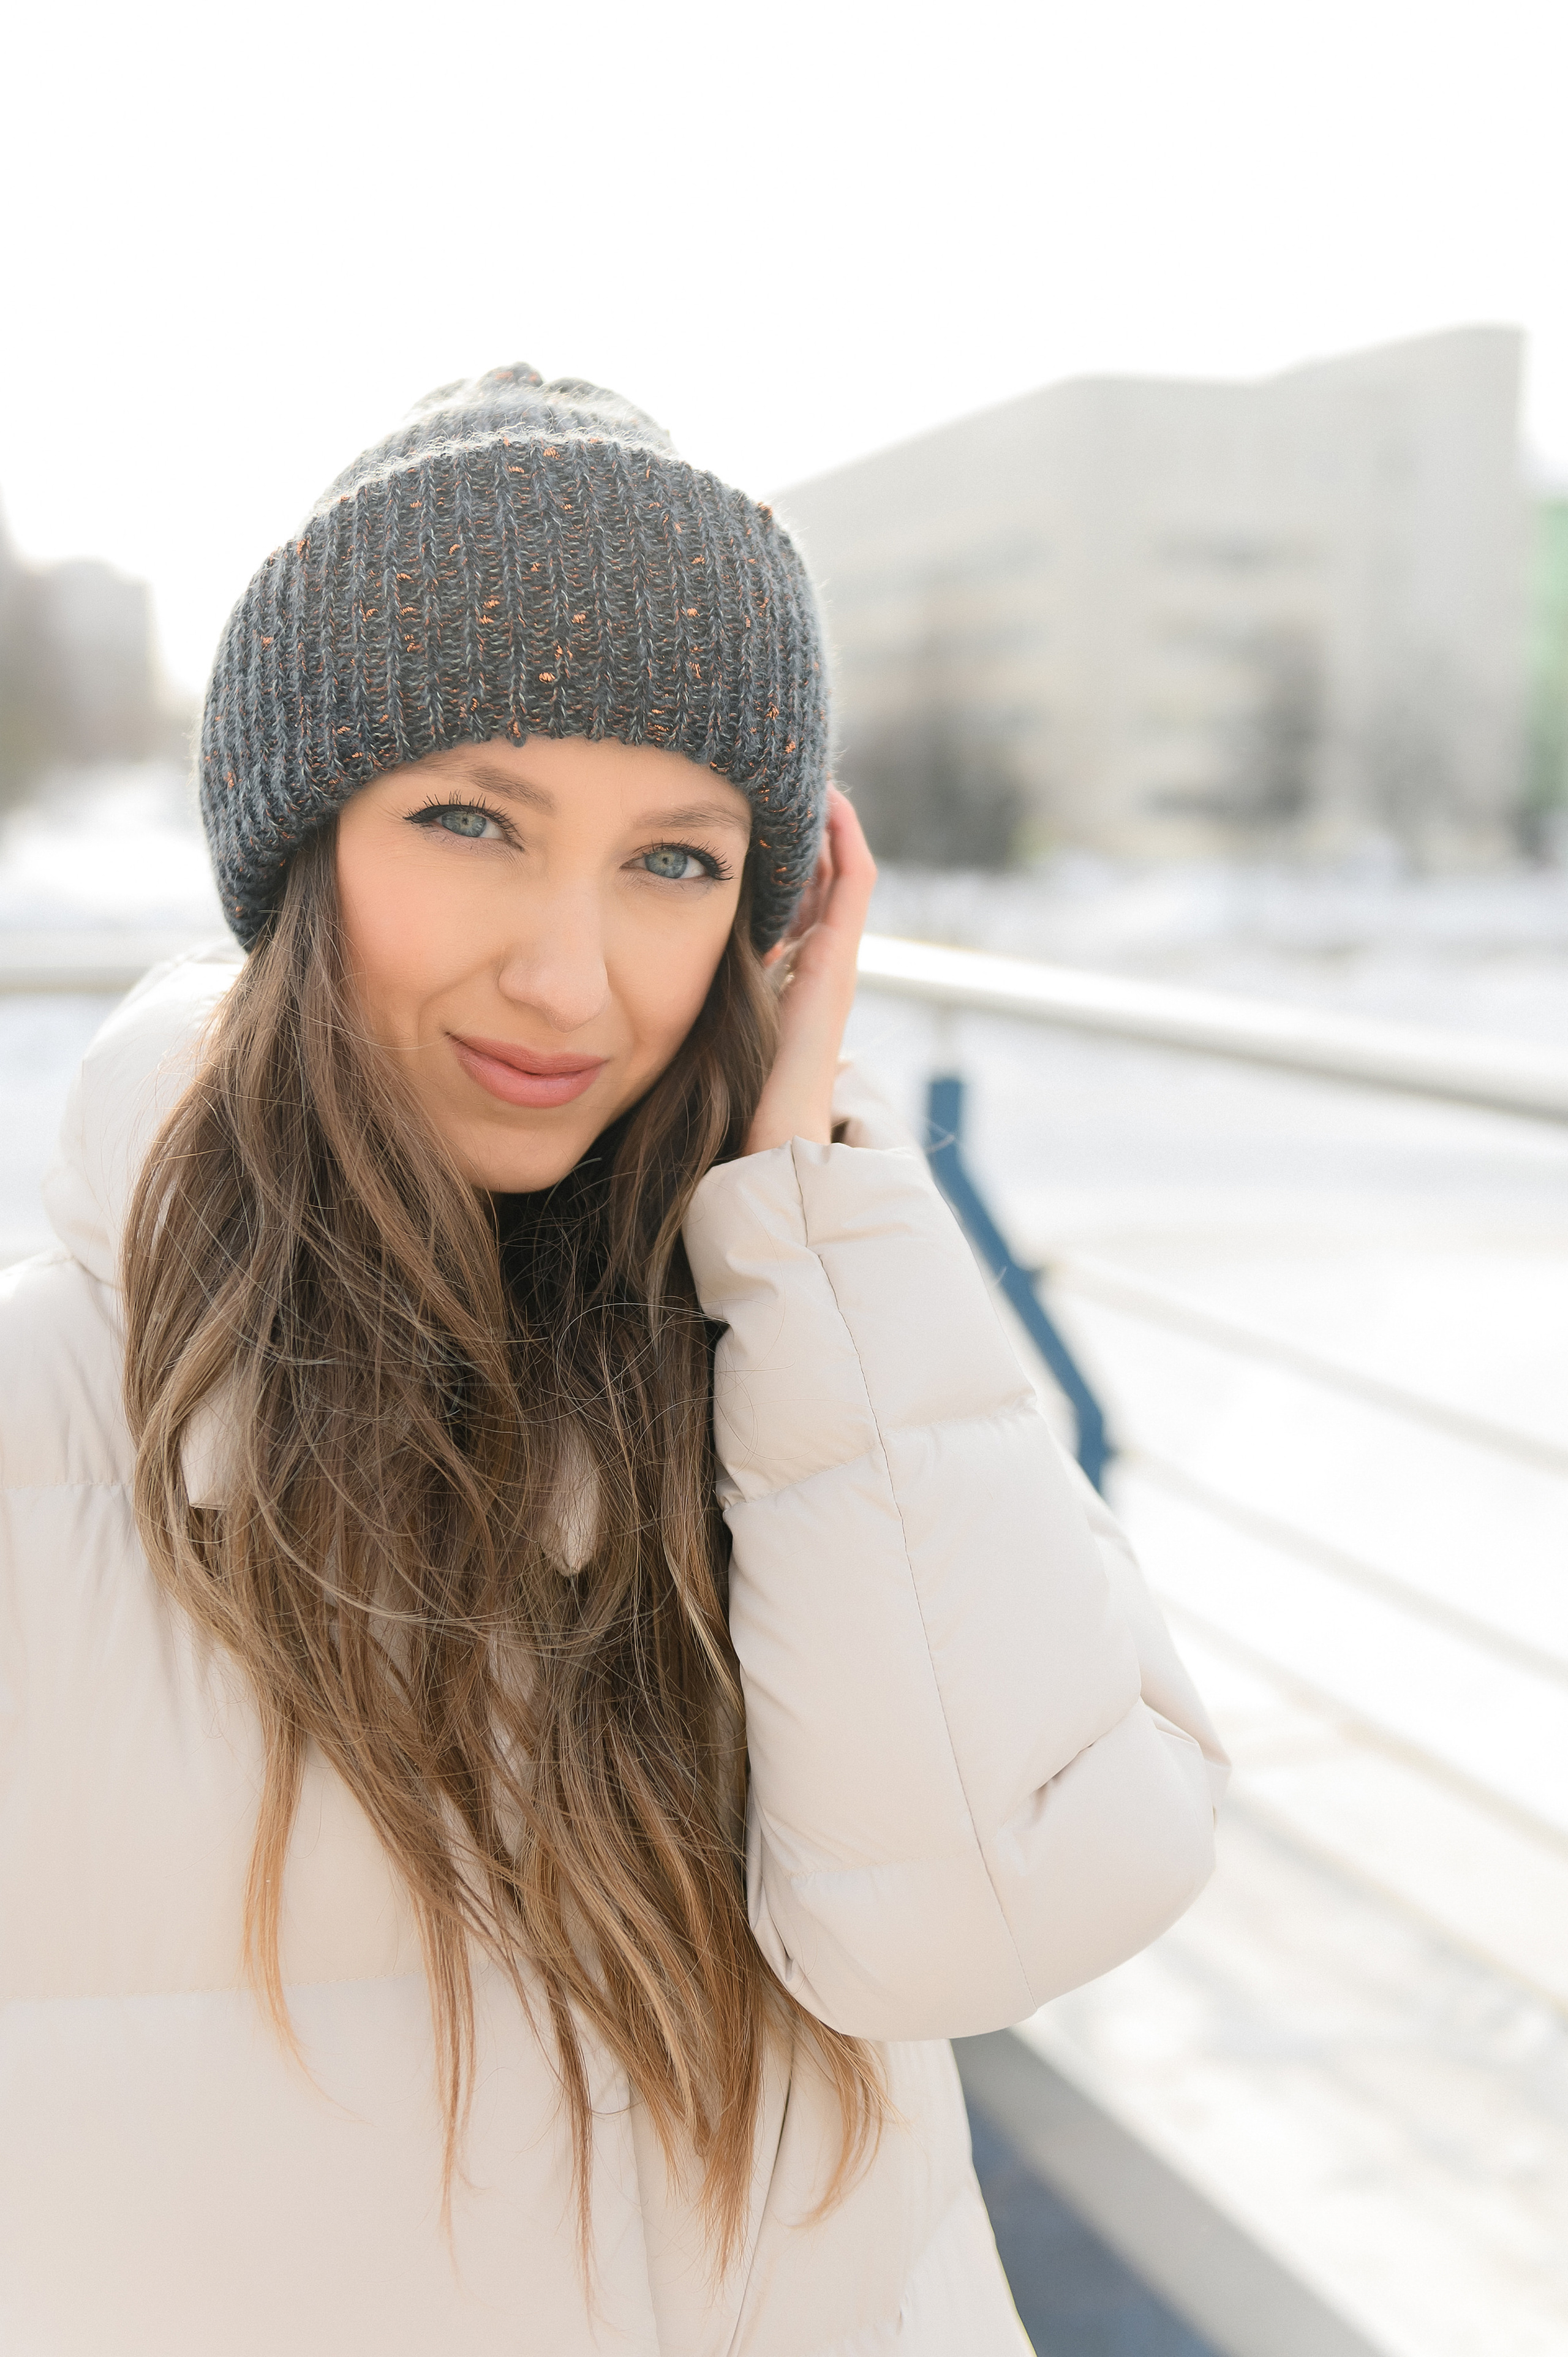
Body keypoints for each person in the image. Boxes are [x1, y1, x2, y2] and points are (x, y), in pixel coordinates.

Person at [0, 367, 1227, 2355]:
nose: (571, 980)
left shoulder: (807, 1350)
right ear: (301, 848)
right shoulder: (40, 1427)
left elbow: (996, 1920)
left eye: (677, 861)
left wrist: (809, 1201)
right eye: (472, 820)